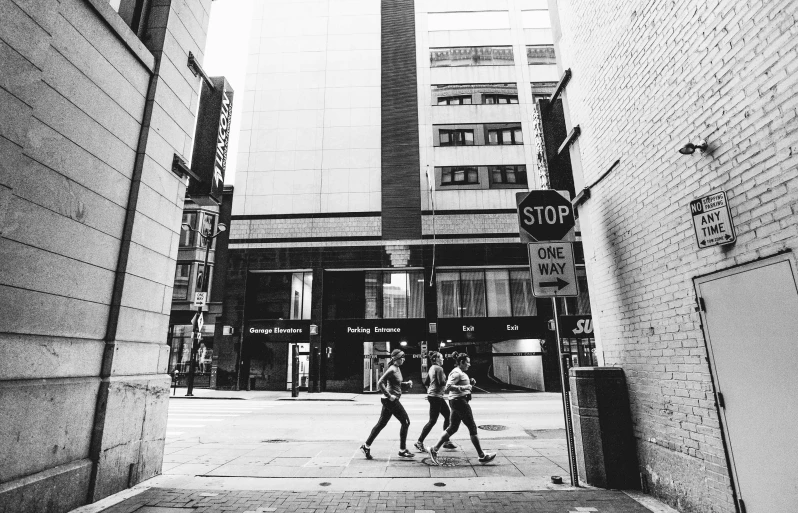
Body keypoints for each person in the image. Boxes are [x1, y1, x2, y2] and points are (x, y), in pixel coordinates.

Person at [427, 353, 495, 465]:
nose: (469, 364)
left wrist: (470, 382)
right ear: (462, 362)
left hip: (457, 401)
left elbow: (459, 384)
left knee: (453, 427)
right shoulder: (456, 372)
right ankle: (481, 455)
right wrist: (465, 387)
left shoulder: (460, 373)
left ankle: (434, 449)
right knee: (472, 427)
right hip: (459, 402)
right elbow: (448, 387)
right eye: (467, 362)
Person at [360, 349, 414, 459]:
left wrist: (406, 384)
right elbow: (380, 382)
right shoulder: (392, 369)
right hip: (390, 400)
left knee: (381, 424)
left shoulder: (397, 368)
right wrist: (389, 396)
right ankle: (402, 450)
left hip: (388, 400)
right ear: (396, 359)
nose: (403, 359)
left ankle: (366, 446)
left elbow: (396, 384)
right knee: (406, 422)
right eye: (401, 358)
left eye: (404, 357)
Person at [414, 351, 456, 453]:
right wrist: (452, 381)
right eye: (441, 358)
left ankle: (446, 440)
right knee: (433, 420)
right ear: (436, 359)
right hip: (436, 397)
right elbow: (441, 382)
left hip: (434, 396)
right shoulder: (439, 368)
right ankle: (419, 442)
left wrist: (431, 390)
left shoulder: (432, 368)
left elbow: (426, 382)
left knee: (447, 416)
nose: (443, 359)